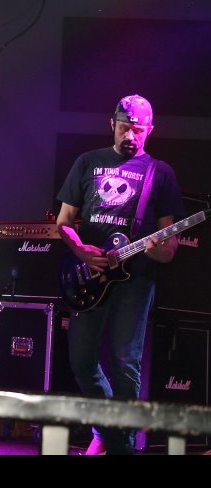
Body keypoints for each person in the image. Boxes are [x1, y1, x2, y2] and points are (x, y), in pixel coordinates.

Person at [56, 94, 184, 455]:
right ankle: (109, 430)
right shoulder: (88, 162)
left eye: (138, 130)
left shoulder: (161, 173)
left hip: (136, 279)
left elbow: (169, 248)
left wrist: (156, 249)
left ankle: (121, 446)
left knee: (126, 363)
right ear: (112, 124)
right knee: (81, 360)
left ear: (150, 130)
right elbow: (64, 223)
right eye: (124, 127)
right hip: (89, 274)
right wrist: (80, 250)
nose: (130, 135)